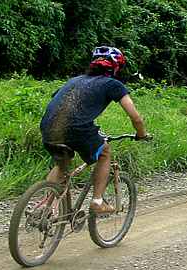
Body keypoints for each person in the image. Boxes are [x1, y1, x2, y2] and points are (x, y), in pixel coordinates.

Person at [40, 46, 150, 213]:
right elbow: (136, 118)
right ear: (115, 67)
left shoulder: (74, 81)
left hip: (48, 127)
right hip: (77, 129)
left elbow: (60, 103)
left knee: (62, 165)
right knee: (104, 153)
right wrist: (142, 135)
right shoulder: (112, 84)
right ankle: (97, 201)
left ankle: (44, 209)